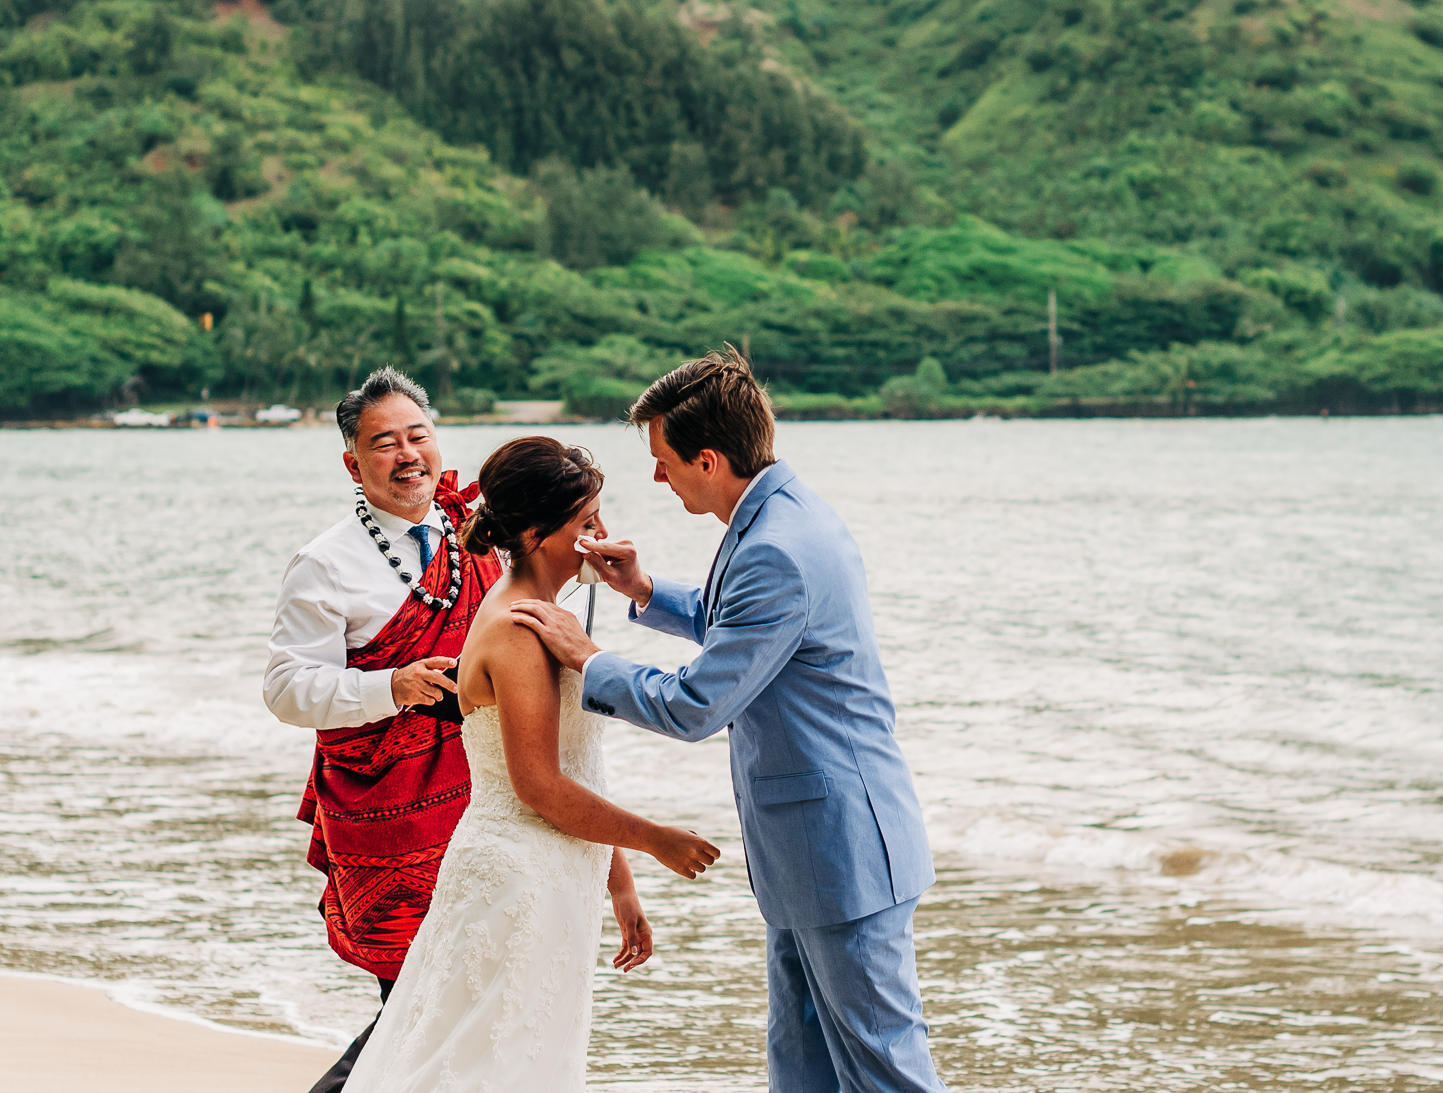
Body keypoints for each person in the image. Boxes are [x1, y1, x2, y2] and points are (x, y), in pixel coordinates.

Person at [510, 349, 945, 1093]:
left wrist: (590, 659)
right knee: (802, 1065)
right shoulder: (781, 510)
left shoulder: (776, 546)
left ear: (707, 460)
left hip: (842, 853)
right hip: (809, 851)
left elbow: (694, 706)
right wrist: (645, 589)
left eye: (663, 461)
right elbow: (742, 624)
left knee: (883, 1071)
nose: (656, 477)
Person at [350, 436, 720, 1092]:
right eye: (585, 523)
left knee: (525, 1056)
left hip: (558, 871)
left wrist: (620, 882)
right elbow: (540, 786)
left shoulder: (551, 616)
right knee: (482, 1064)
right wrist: (655, 838)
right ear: (533, 531)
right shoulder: (519, 630)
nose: (601, 534)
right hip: (516, 877)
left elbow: (576, 764)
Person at [264, 367, 492, 1093]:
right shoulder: (325, 562)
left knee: (456, 989)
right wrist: (389, 686)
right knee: (418, 990)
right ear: (352, 462)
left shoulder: (475, 532)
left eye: (417, 435)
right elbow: (286, 688)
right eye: (383, 442)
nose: (407, 454)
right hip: (381, 810)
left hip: (479, 796)